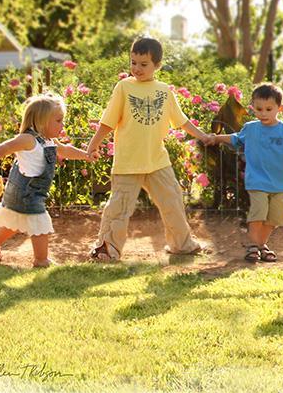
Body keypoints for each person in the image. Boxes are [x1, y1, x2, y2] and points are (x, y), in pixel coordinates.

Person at [85, 37, 215, 261]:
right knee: (118, 208)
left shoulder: (164, 91)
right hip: (128, 162)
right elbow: (109, 121)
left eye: (143, 64)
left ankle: (182, 245)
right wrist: (93, 143)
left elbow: (182, 121)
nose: (137, 68)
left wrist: (203, 136)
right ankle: (106, 249)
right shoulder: (124, 87)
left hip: (157, 161)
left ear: (157, 65)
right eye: (133, 62)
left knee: (173, 201)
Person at [206, 84, 283, 262]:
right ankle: (253, 246)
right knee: (258, 213)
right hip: (257, 180)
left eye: (268, 109)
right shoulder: (251, 128)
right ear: (253, 108)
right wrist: (216, 138)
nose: (263, 113)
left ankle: (261, 245)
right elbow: (236, 139)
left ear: (280, 108)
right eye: (259, 109)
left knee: (275, 218)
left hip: (280, 183)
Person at [0, 93, 94, 267]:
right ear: (41, 121)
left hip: (28, 191)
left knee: (16, 220)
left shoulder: (49, 141)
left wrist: (86, 155)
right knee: (39, 223)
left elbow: (65, 150)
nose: (62, 125)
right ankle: (41, 260)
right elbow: (5, 147)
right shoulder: (28, 139)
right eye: (58, 120)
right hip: (27, 192)